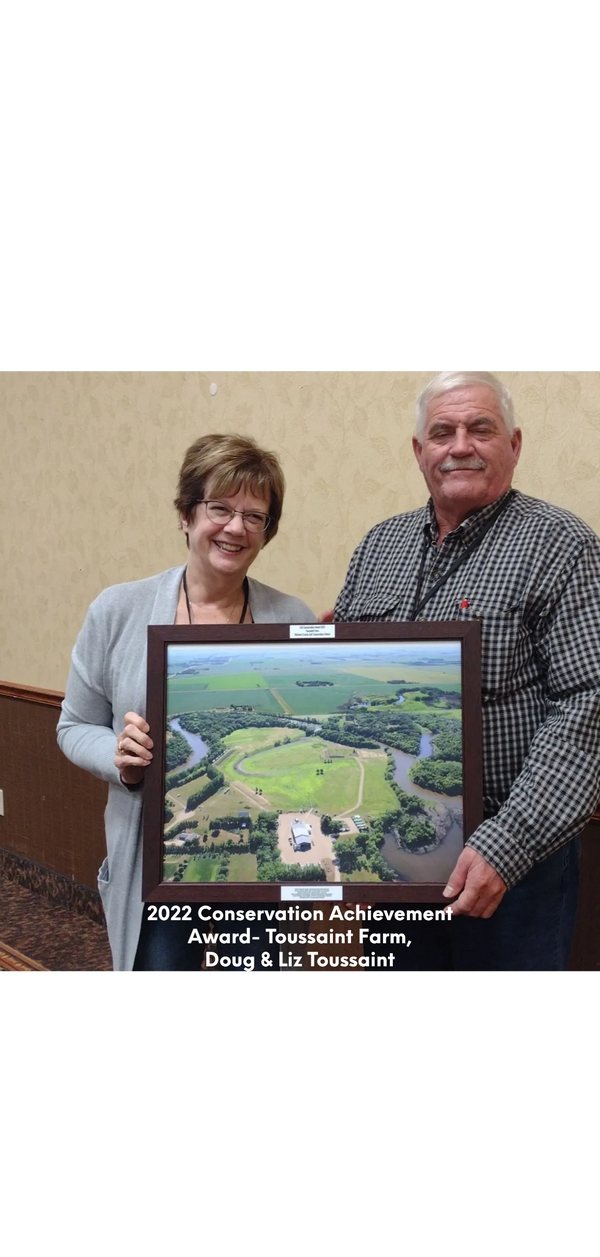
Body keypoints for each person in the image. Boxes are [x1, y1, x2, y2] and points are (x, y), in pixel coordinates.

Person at [332, 368, 600, 973]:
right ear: (418, 450)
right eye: (442, 431)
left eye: (481, 429)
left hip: (516, 860)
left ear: (515, 444)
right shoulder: (379, 546)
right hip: (399, 844)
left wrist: (506, 847)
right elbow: (348, 668)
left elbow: (588, 705)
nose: (459, 446)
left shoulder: (561, 545)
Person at [57, 433, 316, 974]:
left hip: (261, 874)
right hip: (159, 868)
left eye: (255, 515)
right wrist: (119, 758)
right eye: (219, 508)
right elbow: (74, 725)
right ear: (185, 514)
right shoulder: (118, 610)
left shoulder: (291, 616)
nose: (235, 527)